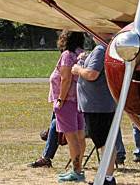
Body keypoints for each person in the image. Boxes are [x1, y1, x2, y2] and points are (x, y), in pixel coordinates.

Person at [72, 41, 119, 185]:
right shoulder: (103, 48)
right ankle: (107, 177)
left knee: (104, 143)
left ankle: (107, 179)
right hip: (100, 105)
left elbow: (92, 74)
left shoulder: (100, 49)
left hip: (97, 107)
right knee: (105, 142)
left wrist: (78, 69)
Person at [49, 30, 85, 182]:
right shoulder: (82, 54)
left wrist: (60, 100)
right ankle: (78, 169)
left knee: (71, 138)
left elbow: (65, 78)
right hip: (80, 100)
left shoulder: (67, 55)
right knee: (79, 136)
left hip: (67, 101)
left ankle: (76, 172)